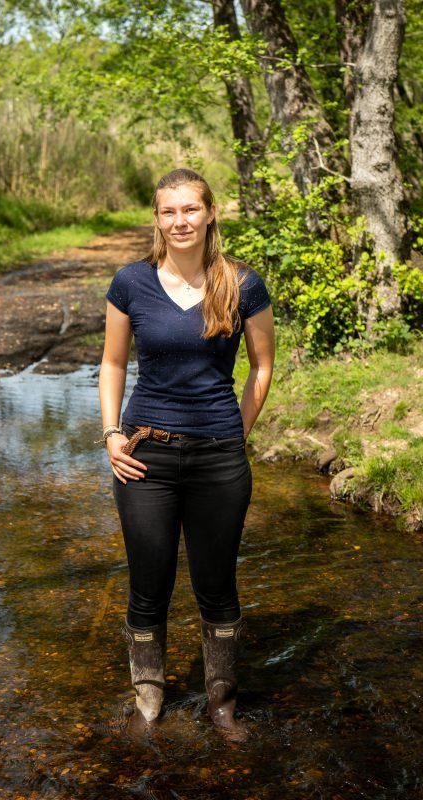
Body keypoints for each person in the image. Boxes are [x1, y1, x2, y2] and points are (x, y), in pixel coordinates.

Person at [98, 168, 274, 740]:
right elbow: (113, 364)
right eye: (169, 212)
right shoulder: (131, 283)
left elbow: (262, 366)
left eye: (190, 210)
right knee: (149, 582)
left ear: (210, 213)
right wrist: (110, 434)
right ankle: (148, 701)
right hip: (144, 458)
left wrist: (236, 430)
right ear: (157, 218)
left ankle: (221, 704)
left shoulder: (243, 284)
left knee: (216, 585)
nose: (180, 221)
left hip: (220, 459)